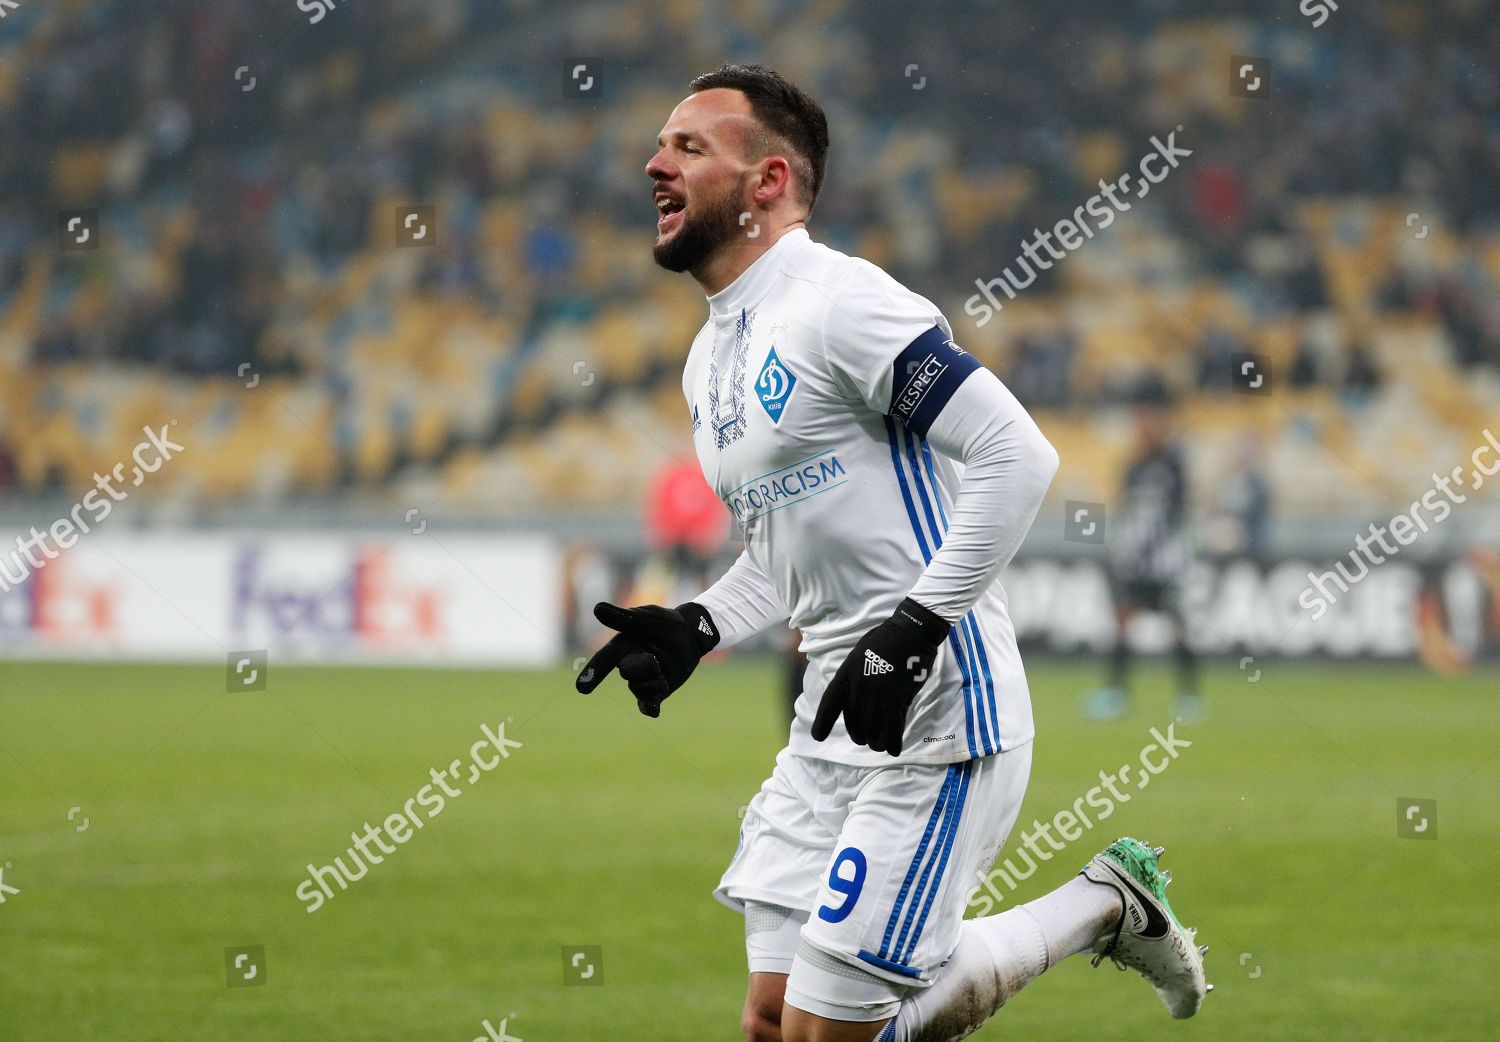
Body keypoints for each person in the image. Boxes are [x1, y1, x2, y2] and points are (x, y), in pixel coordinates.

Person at [575, 65, 1209, 1042]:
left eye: (689, 147)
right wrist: (701, 620)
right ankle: (1111, 898)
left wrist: (914, 629)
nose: (653, 164)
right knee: (772, 1019)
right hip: (832, 715)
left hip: (941, 710)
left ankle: (1105, 904)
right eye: (661, 145)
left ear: (769, 182)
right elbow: (784, 549)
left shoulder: (842, 303)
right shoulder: (710, 360)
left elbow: (1017, 456)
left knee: (832, 1034)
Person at [1083, 380, 1202, 722]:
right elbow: (1126, 512)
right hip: (1135, 563)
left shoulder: (1173, 464)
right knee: (1122, 622)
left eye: (1149, 421)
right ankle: (1116, 693)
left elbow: (1180, 511)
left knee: (1178, 625)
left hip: (1165, 562)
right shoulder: (1132, 468)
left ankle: (1188, 697)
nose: (1144, 428)